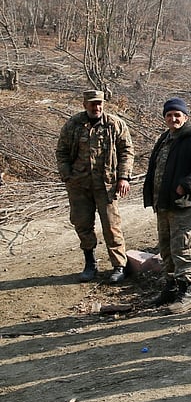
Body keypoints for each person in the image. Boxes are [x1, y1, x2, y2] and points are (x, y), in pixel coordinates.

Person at [143, 98, 191, 314]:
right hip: (163, 205)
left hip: (182, 205)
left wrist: (185, 185)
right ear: (164, 118)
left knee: (183, 248)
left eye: (177, 115)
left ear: (185, 117)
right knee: (166, 249)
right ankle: (171, 288)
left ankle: (187, 295)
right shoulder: (165, 139)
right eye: (169, 115)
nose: (173, 119)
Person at [55, 90, 134, 284]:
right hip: (79, 186)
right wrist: (67, 175)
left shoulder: (114, 124)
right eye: (92, 104)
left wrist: (123, 177)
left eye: (99, 103)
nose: (96, 107)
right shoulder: (73, 125)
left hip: (106, 186)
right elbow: (62, 152)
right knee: (82, 224)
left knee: (111, 226)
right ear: (84, 104)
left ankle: (118, 266)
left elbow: (127, 151)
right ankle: (90, 264)